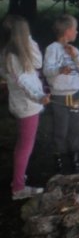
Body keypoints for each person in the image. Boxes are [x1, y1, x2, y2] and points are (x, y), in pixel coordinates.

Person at [0, 15, 50, 200]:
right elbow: (22, 82)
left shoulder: (15, 52)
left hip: (26, 104)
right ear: (21, 33)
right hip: (27, 105)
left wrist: (28, 42)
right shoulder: (12, 57)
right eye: (26, 32)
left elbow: (38, 63)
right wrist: (39, 96)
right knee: (24, 147)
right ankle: (19, 188)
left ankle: (19, 178)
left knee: (24, 145)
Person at [43, 14, 79, 173]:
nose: (77, 32)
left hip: (75, 95)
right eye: (75, 29)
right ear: (67, 31)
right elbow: (47, 71)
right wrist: (60, 70)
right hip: (60, 97)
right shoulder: (52, 49)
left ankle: (74, 156)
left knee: (77, 127)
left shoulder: (74, 50)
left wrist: (76, 56)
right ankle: (59, 157)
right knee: (61, 128)